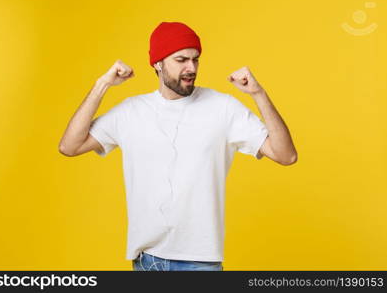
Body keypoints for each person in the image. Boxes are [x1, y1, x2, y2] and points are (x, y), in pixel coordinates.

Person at [58, 21, 298, 271]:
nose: (191, 68)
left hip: (200, 262)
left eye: (195, 60)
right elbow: (70, 146)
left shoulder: (223, 108)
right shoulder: (131, 111)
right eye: (181, 59)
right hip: (146, 260)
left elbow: (285, 155)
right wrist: (102, 85)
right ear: (158, 64)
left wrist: (258, 94)